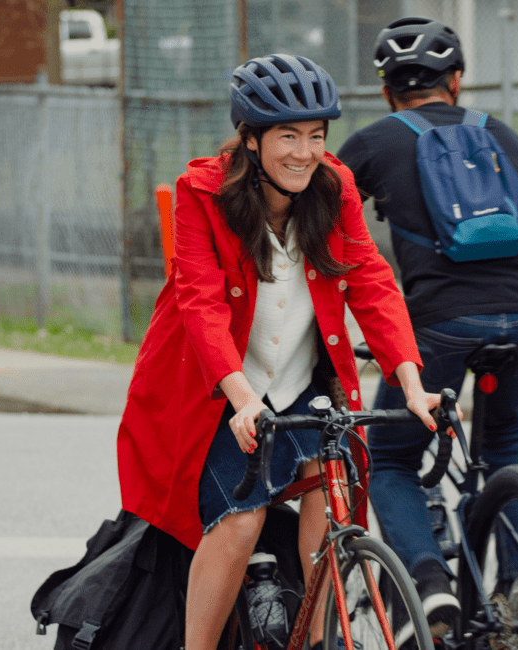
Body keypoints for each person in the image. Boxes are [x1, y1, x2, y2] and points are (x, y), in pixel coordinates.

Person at [116, 53, 445, 650]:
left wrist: (412, 381)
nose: (304, 152)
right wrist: (241, 398)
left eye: (316, 136)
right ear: (249, 139)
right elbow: (201, 304)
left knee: (334, 501)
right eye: (288, 136)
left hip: (303, 382)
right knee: (240, 521)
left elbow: (371, 279)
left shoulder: (334, 187)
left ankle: (316, 638)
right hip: (223, 392)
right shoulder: (202, 193)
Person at [336, 16, 518, 632]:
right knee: (507, 430)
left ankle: (430, 585)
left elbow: (315, 224)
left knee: (391, 456)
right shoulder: (501, 135)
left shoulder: (374, 142)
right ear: (455, 80)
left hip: (442, 322)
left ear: (388, 90)